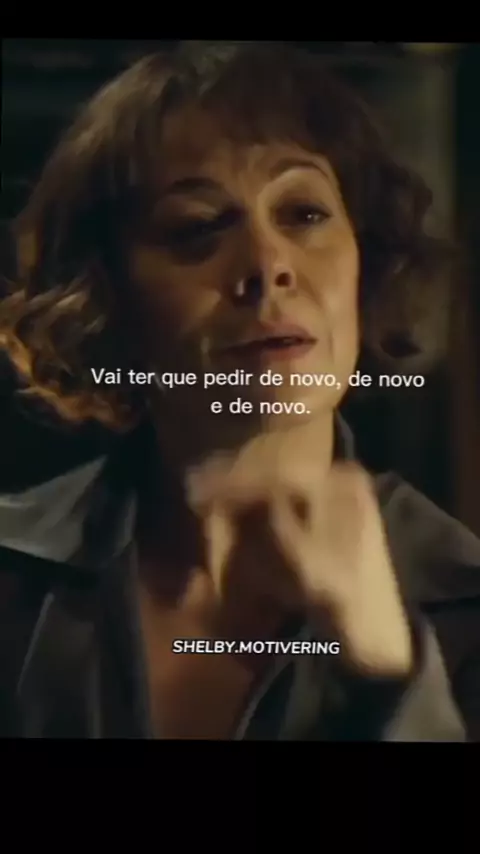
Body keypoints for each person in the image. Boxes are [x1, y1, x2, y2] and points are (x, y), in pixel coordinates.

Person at [0, 41, 479, 740]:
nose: (268, 263)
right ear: (105, 297)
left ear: (364, 259)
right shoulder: (14, 578)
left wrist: (388, 676)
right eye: (197, 227)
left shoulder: (465, 602)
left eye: (304, 214)